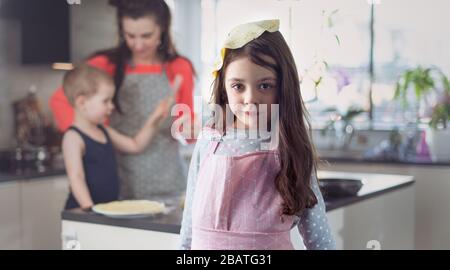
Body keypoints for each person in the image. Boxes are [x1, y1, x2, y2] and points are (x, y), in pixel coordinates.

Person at [179, 20, 336, 250]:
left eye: (265, 85)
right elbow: (189, 226)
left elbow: (319, 238)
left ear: (284, 86)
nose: (250, 98)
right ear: (224, 86)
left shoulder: (290, 148)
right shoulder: (209, 140)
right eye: (238, 86)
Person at [50, 0, 195, 199]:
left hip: (168, 180)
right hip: (120, 181)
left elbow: (186, 129)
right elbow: (61, 101)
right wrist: (89, 134)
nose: (138, 44)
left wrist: (189, 129)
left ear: (162, 29)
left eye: (146, 35)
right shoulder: (105, 64)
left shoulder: (179, 68)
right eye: (130, 35)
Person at [62, 64, 178, 210]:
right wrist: (89, 210)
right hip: (82, 214)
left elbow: (135, 145)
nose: (111, 106)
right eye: (105, 101)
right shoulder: (73, 137)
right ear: (82, 102)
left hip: (104, 211)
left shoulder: (103, 130)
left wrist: (154, 119)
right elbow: (76, 178)